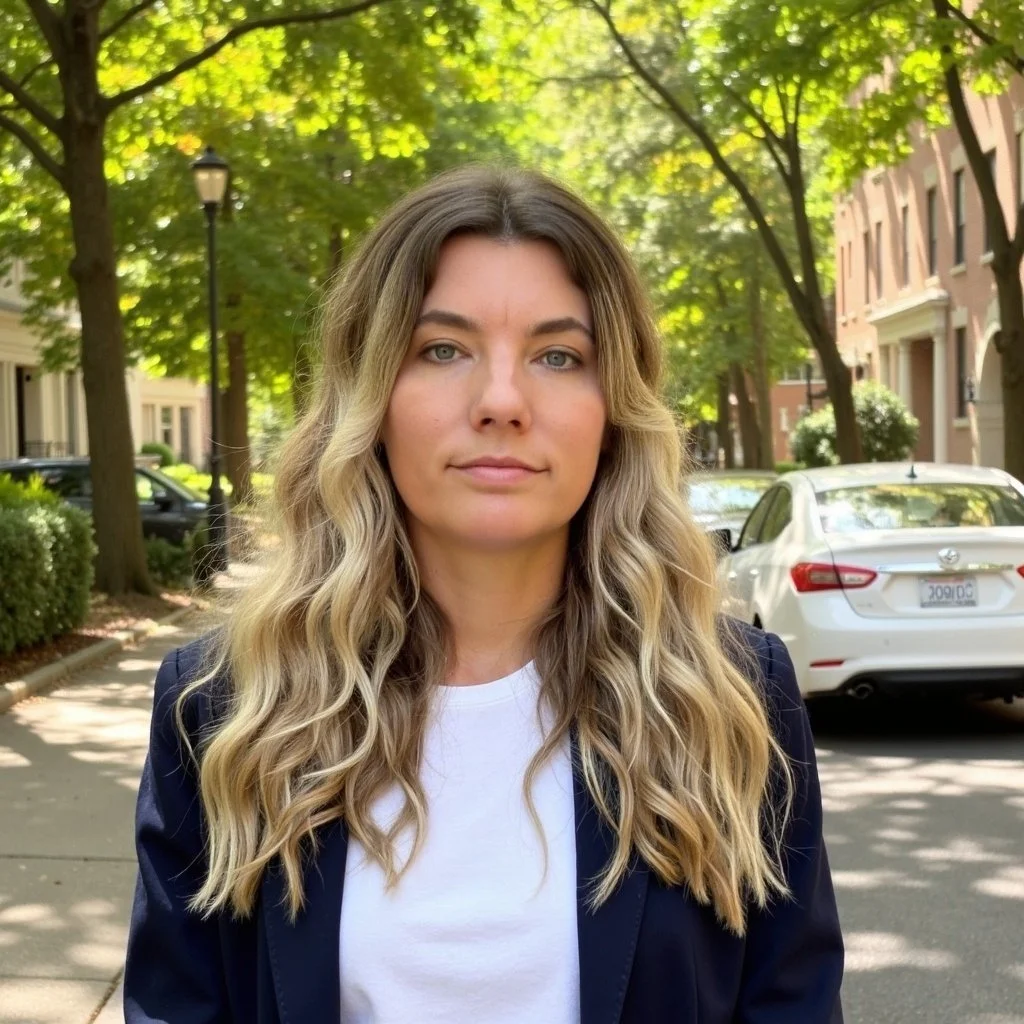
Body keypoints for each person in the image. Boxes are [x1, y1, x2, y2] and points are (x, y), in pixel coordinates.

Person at [125, 166, 844, 1024]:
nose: (502, 401)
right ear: (369, 395)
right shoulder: (225, 711)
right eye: (443, 349)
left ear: (613, 409)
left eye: (558, 356)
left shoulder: (731, 699)